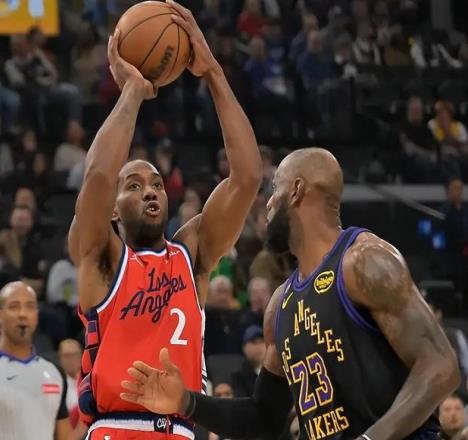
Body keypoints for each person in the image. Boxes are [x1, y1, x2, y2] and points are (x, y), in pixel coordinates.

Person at [120, 147, 460, 439]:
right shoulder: (280, 305)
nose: (267, 203)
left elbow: (441, 366)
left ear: (296, 191)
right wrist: (186, 402)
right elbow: (263, 417)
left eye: (275, 188)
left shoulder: (363, 261)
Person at [68, 1, 262, 439]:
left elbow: (248, 177)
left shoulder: (191, 254)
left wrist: (213, 72)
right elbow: (98, 176)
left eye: (156, 183)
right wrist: (133, 92)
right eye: (134, 186)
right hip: (117, 427)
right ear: (113, 209)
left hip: (182, 429)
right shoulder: (101, 259)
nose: (150, 191)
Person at [0, 281, 70, 440]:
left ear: (37, 315)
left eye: (30, 306)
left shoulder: (54, 372)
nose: (23, 314)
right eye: (14, 307)